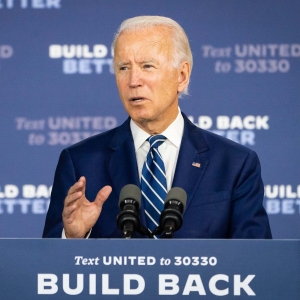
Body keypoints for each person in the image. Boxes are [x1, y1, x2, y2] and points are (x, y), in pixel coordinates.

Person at [43, 16, 272, 239]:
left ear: (181, 76)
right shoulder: (80, 162)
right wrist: (73, 238)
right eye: (123, 68)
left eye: (147, 66)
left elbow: (255, 263)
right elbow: (49, 266)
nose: (133, 81)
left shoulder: (235, 163)